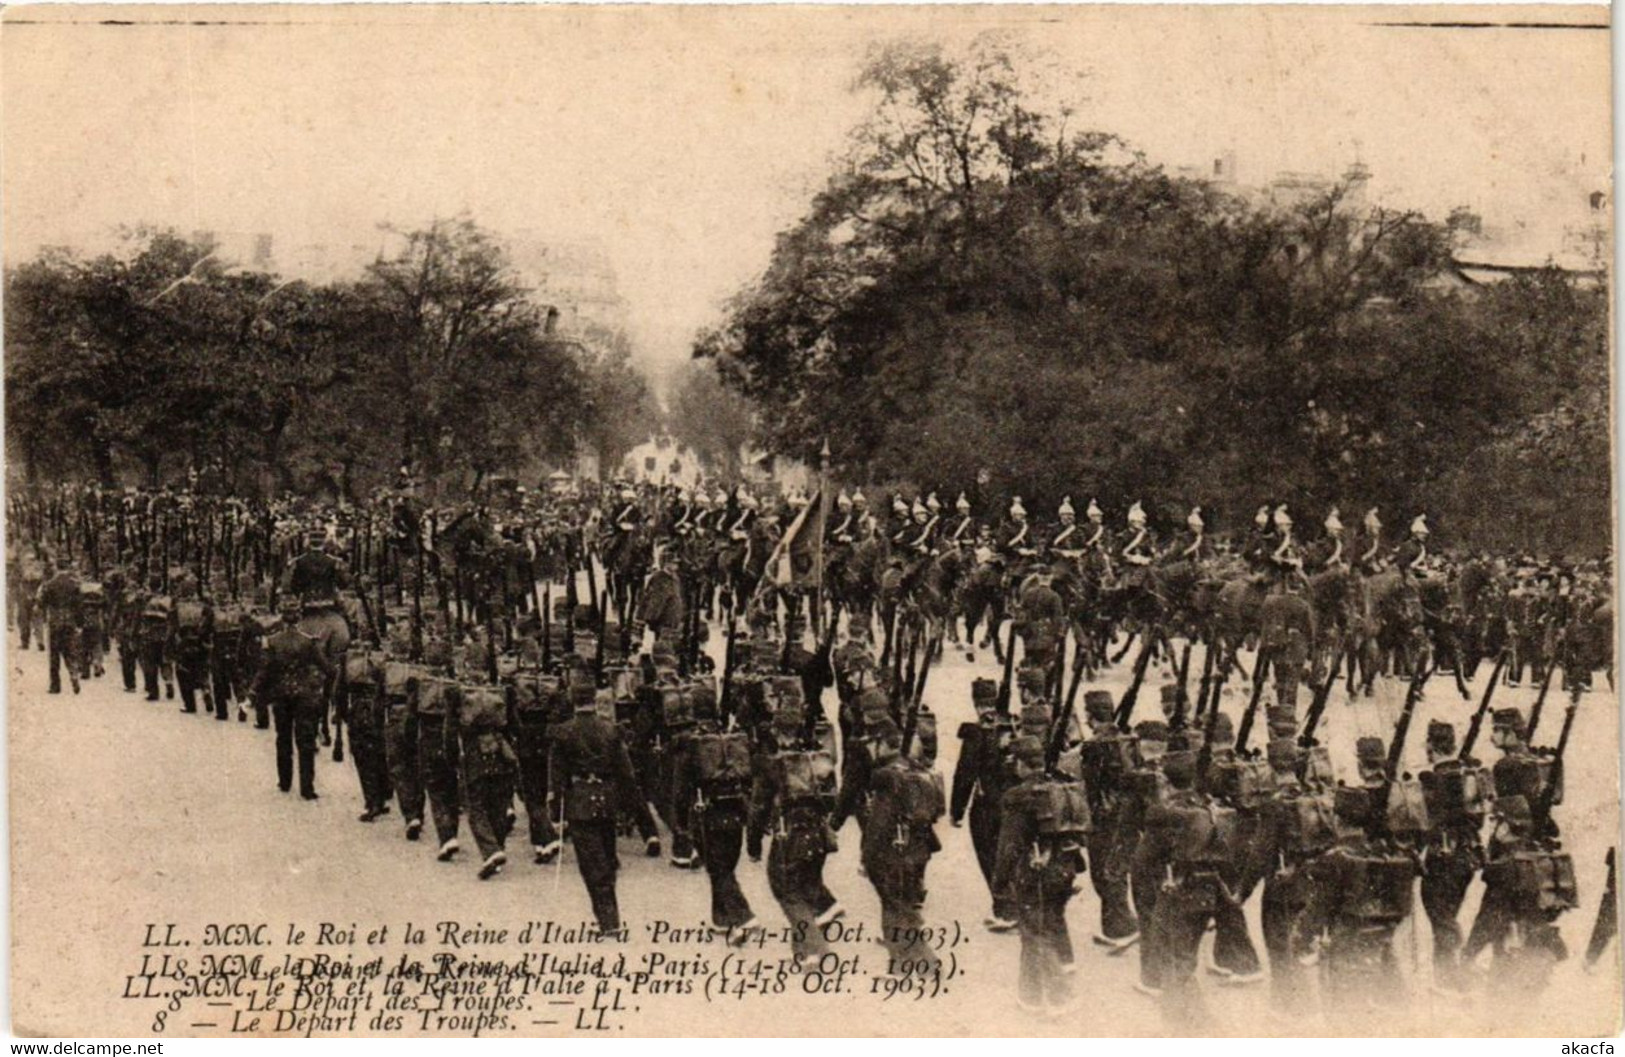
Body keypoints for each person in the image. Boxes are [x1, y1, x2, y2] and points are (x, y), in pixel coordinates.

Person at [993, 735, 1088, 1015]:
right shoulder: (1063, 785)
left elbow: (1009, 845)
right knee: (1052, 920)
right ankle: (1045, 984)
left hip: (1035, 870)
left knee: (1034, 932)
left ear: (1021, 764)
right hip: (1065, 867)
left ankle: (1052, 997)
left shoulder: (1019, 796)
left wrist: (999, 883)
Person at [549, 684, 646, 939]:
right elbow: (626, 772)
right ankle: (608, 915)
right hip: (608, 798)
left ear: (573, 701)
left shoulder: (564, 732)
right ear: (594, 700)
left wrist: (554, 808)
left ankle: (608, 920)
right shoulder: (610, 729)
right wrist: (630, 806)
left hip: (580, 800)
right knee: (606, 854)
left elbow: (556, 775)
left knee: (592, 863)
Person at [860, 716, 945, 972]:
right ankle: (905, 961)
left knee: (894, 908)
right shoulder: (919, 772)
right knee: (903, 905)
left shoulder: (887, 778)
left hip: (891, 851)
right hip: (917, 849)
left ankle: (918, 963)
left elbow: (878, 823)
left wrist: (867, 857)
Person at [252, 599, 333, 799]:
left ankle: (285, 781)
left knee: (283, 738)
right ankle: (307, 788)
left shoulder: (272, 641)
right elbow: (327, 668)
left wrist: (253, 692)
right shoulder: (309, 641)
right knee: (305, 741)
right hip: (305, 696)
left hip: (280, 696)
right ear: (298, 617)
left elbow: (264, 671)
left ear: (281, 615)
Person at [37, 559, 83, 695]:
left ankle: (55, 686)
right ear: (67, 567)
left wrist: (44, 615)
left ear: (57, 567)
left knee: (54, 653)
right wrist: (79, 623)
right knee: (70, 650)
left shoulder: (50, 584)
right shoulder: (74, 584)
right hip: (69, 620)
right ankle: (74, 673)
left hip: (55, 621)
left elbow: (41, 603)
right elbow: (79, 605)